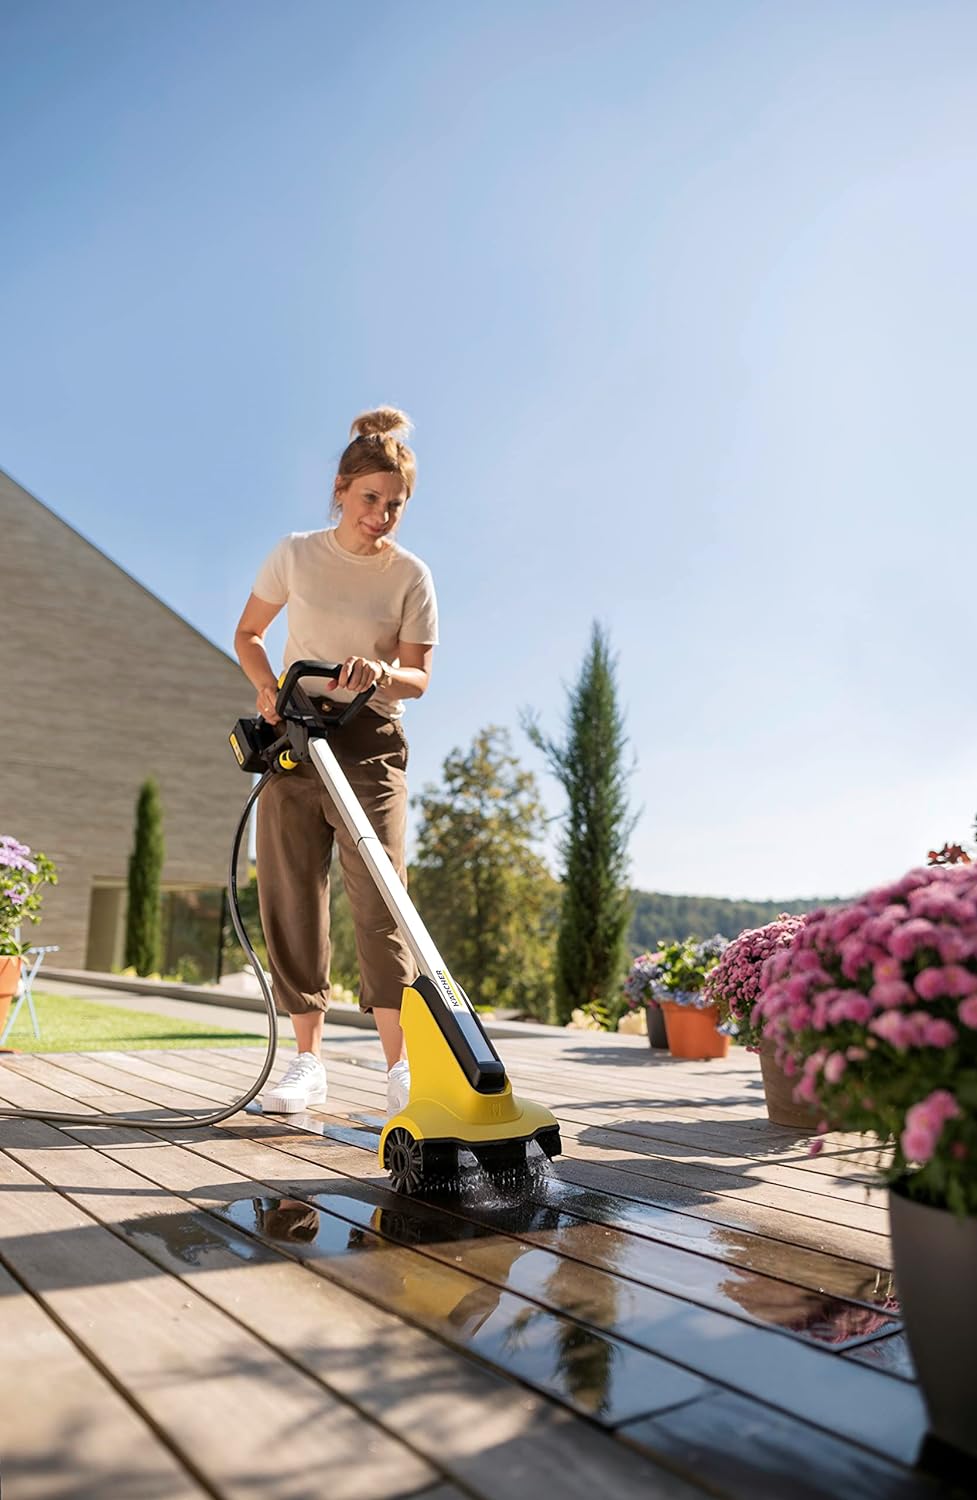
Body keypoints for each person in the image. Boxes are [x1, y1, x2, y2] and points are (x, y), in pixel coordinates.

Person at [233, 406, 437, 1118]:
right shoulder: (295, 553)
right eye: (369, 500)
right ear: (341, 490)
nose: (380, 516)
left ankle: (400, 1069)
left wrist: (379, 672)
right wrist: (265, 686)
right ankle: (307, 1064)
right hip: (294, 734)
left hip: (370, 739)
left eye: (395, 505)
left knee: (381, 895)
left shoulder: (411, 576)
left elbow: (418, 676)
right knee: (292, 891)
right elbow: (250, 633)